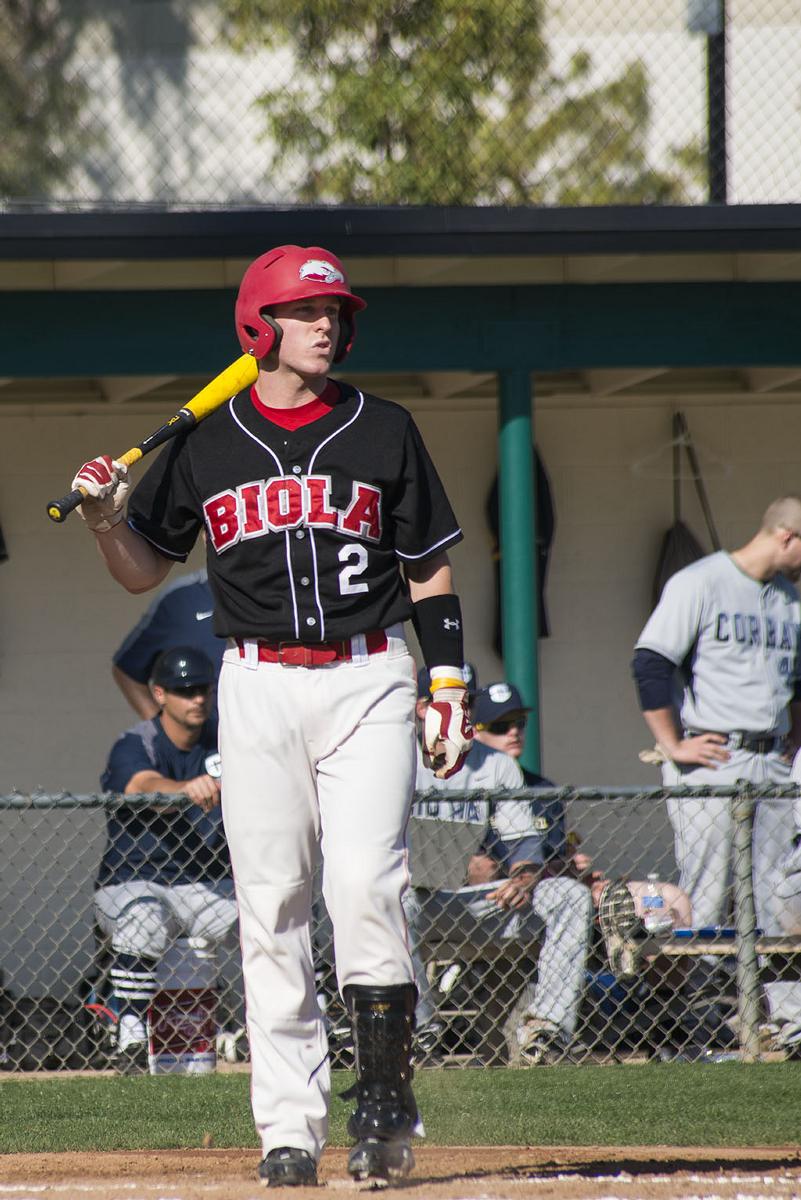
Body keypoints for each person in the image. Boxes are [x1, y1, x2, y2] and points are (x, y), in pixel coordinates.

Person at [68, 244, 472, 1187]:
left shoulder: (385, 428)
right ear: (260, 326)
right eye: (303, 311)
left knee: (367, 885)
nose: (326, 323)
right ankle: (288, 1128)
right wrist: (101, 515)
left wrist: (446, 680)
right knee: (271, 909)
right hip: (252, 685)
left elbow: (429, 567)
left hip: (369, 677)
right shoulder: (204, 441)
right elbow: (141, 566)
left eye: (334, 311)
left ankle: (383, 1105)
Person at [633, 496, 801, 1057]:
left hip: (770, 758)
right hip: (714, 753)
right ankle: (692, 1022)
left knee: (779, 891)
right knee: (706, 891)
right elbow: (651, 661)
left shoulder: (789, 600)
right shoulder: (701, 581)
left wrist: (790, 743)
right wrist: (672, 743)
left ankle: (787, 1022)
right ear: (785, 536)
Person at [406, 679, 593, 1066]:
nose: (463, 708)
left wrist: (524, 879)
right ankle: (417, 1034)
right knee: (392, 901)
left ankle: (547, 1032)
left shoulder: (496, 765)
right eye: (451, 700)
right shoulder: (397, 760)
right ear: (423, 707)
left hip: (486, 902)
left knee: (568, 895)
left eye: (466, 700)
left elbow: (523, 843)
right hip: (420, 899)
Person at [95, 646, 237, 1074]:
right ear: (159, 693)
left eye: (201, 689)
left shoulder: (227, 737)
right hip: (133, 883)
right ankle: (131, 1028)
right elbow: (140, 785)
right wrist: (182, 789)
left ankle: (297, 1020)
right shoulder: (138, 741)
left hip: (205, 887)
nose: (196, 698)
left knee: (272, 911)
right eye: (183, 690)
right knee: (146, 918)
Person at [112, 567, 223, 719]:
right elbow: (127, 670)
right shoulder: (183, 596)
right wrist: (163, 736)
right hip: (209, 739)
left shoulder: (265, 589)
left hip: (263, 735)